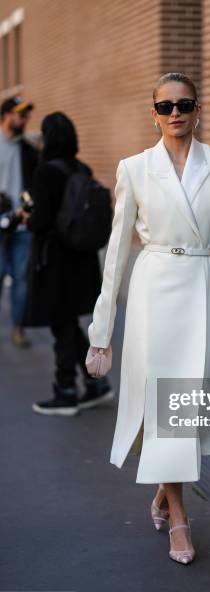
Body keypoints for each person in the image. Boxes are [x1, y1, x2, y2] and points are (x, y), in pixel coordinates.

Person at [88, 72, 210, 564]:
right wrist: (102, 331)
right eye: (165, 106)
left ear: (198, 110)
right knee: (162, 409)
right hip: (153, 287)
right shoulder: (134, 168)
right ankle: (179, 517)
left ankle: (162, 492)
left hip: (198, 290)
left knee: (186, 412)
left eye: (185, 104)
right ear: (152, 113)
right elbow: (115, 253)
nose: (175, 113)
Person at [21, 112, 114, 415]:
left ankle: (66, 391)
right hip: (82, 260)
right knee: (70, 324)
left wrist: (27, 218)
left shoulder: (45, 172)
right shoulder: (82, 168)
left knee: (60, 325)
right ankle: (96, 384)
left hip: (55, 262)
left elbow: (42, 221)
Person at [0, 96, 39, 348]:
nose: (24, 118)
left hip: (22, 226)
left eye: (26, 114)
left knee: (22, 281)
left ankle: (18, 329)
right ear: (6, 115)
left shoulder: (29, 151)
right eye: (19, 113)